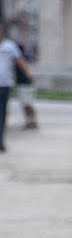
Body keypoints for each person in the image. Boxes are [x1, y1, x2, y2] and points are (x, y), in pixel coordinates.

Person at [0, 22, 34, 151]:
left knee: (2, 113)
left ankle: (1, 140)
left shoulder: (9, 46)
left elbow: (20, 61)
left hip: (4, 85)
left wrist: (28, 73)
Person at [15, 43, 37, 130]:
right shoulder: (24, 58)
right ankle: (31, 121)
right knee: (28, 104)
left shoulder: (20, 59)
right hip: (26, 84)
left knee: (26, 104)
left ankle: (30, 122)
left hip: (24, 84)